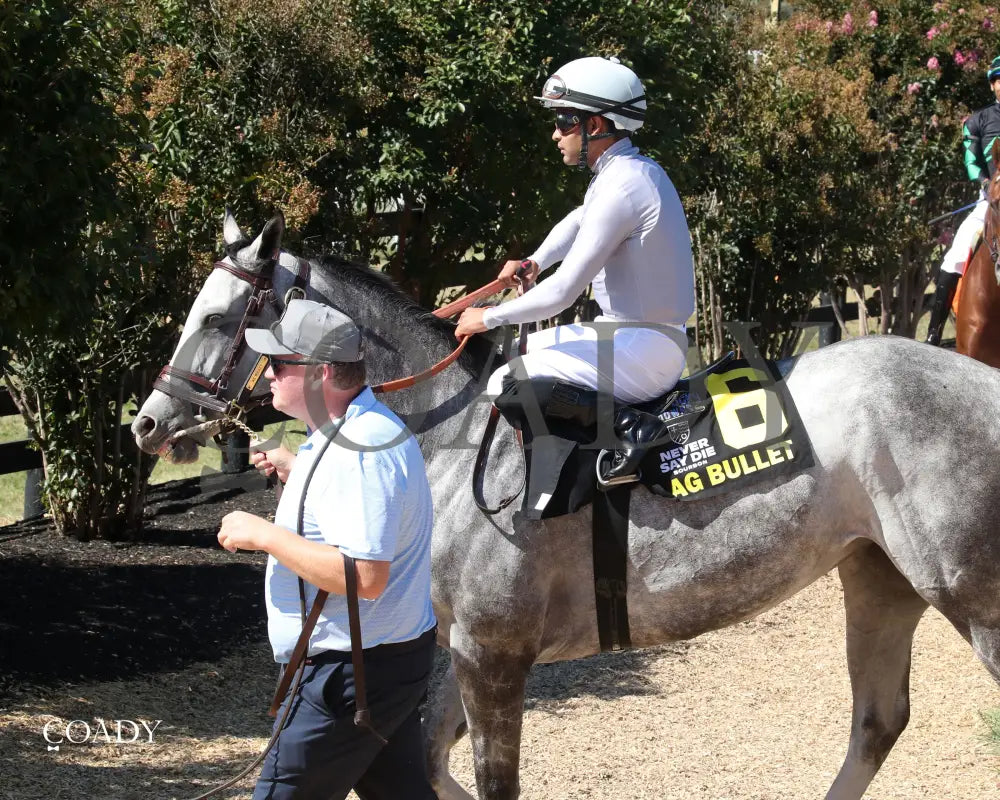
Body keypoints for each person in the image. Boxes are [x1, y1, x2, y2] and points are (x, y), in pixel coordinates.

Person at [217, 298, 438, 800]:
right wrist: (300, 470)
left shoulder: (354, 453)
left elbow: (365, 577)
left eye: (276, 364)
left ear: (318, 375)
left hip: (345, 675)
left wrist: (263, 534)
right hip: (381, 662)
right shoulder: (356, 432)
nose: (265, 375)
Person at [453, 56, 695, 482]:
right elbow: (578, 221)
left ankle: (632, 429)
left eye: (565, 121)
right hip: (634, 337)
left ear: (596, 126)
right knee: (520, 355)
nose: (555, 133)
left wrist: (487, 317)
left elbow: (563, 293)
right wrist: (534, 262)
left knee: (506, 383)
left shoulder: (622, 186)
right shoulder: (626, 172)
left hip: (643, 350)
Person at [926, 55, 1000, 345]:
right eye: (999, 80)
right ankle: (934, 332)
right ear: (993, 85)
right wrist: (987, 184)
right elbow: (972, 161)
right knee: (957, 251)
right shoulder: (978, 120)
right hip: (993, 196)